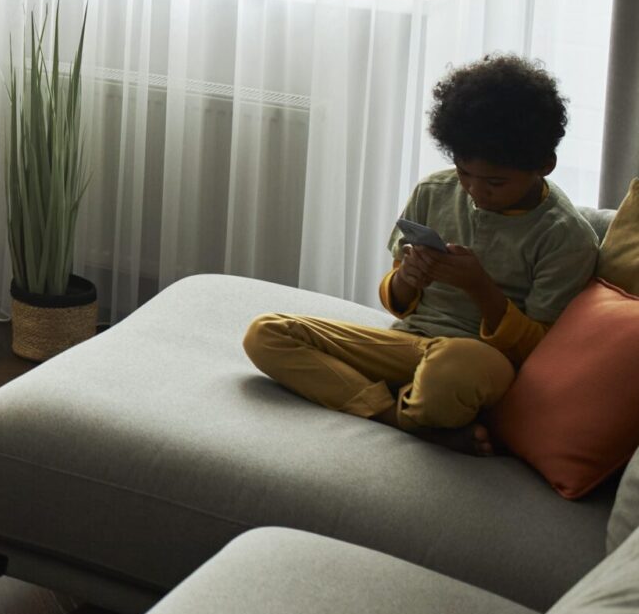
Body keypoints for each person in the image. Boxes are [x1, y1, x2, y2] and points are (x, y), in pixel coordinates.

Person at [242, 55, 599, 453]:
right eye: (464, 173)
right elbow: (397, 304)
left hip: (480, 363)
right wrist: (407, 278)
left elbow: (540, 350)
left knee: (454, 370)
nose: (476, 191)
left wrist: (480, 287)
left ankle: (416, 404)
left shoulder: (565, 237)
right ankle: (402, 420)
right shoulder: (434, 191)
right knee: (267, 333)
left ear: (544, 165)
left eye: (496, 182)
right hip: (408, 346)